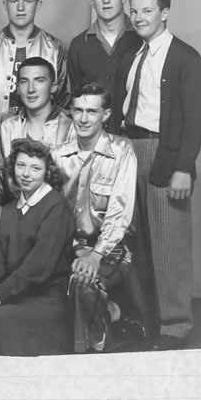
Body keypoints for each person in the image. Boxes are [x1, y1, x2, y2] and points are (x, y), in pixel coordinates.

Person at [122, 0, 201, 350]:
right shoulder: (135, 55)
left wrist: (183, 167)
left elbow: (196, 118)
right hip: (130, 150)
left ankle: (175, 325)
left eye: (147, 10)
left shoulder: (185, 58)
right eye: (135, 10)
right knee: (134, 242)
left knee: (168, 243)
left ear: (165, 13)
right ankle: (147, 320)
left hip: (165, 153)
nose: (139, 17)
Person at [0, 138, 75, 356]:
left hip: (44, 302)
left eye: (35, 168)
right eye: (21, 166)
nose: (26, 174)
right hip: (16, 295)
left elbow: (39, 265)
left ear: (47, 172)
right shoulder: (9, 209)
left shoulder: (56, 206)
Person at [52, 84, 141, 352]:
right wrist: (78, 249)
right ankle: (110, 314)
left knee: (83, 281)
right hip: (68, 245)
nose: (83, 118)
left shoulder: (122, 150)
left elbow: (119, 212)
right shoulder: (58, 155)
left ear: (106, 114)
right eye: (78, 110)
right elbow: (55, 214)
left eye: (92, 111)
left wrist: (94, 255)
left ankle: (90, 355)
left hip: (111, 249)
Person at [0, 57, 74, 239]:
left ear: (54, 86)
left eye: (39, 80)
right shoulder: (6, 127)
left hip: (60, 221)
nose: (31, 89)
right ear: (17, 87)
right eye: (24, 82)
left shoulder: (71, 127)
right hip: (15, 217)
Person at [0, 0, 69, 126]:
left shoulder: (54, 48)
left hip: (42, 140)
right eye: (14, 1)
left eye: (28, 1)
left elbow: (64, 101)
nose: (20, 8)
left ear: (38, 5)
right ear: (5, 5)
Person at [67, 0, 142, 134]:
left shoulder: (141, 40)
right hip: (91, 142)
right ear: (91, 1)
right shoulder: (79, 45)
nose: (106, 0)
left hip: (133, 143)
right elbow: (74, 98)